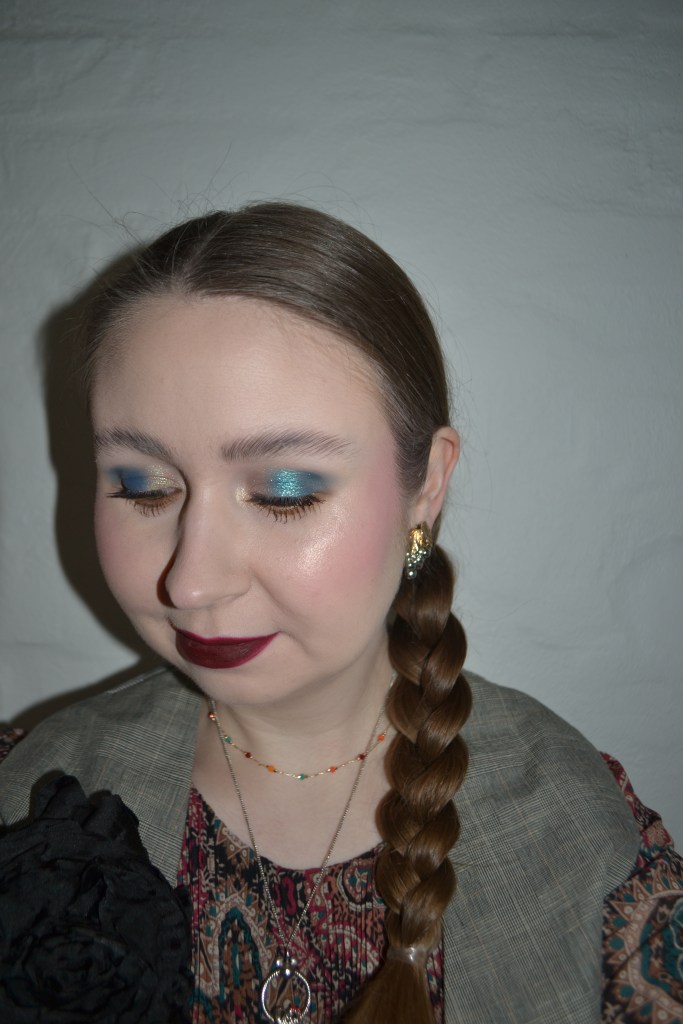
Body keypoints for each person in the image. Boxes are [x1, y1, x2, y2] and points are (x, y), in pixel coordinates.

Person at [0, 203, 680, 1024]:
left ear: (426, 484)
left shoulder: (575, 831)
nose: (192, 583)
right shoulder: (33, 792)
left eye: (284, 492)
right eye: (142, 486)